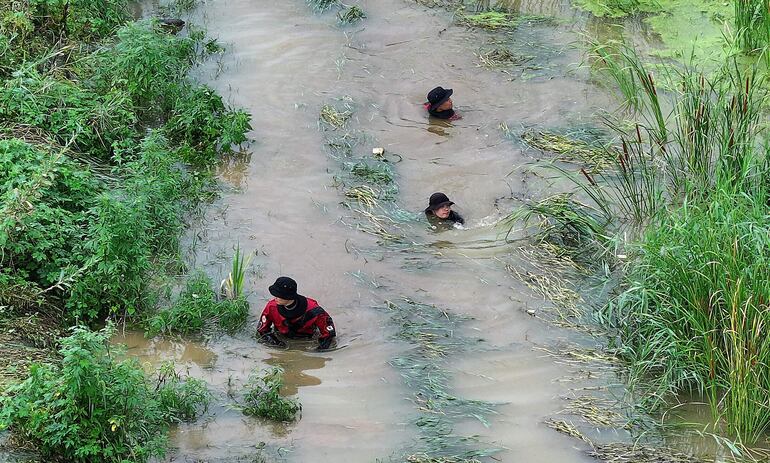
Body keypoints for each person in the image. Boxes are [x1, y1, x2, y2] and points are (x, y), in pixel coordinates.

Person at [257, 277, 336, 350]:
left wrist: (318, 352)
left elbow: (329, 334)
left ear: (288, 296)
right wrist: (276, 343)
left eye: (278, 295)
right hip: (281, 336)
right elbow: (262, 330)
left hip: (307, 337)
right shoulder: (271, 307)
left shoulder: (314, 310)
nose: (275, 297)